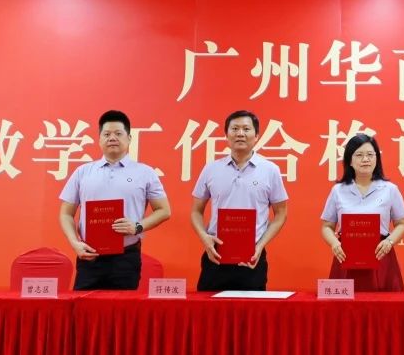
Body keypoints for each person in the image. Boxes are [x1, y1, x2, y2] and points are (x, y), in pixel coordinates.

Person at [58, 110, 171, 290]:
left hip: (126, 258)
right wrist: (74, 243)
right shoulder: (83, 172)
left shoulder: (145, 172)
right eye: (107, 134)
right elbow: (66, 213)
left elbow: (164, 210)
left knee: (122, 306)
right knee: (84, 306)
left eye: (118, 133)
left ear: (129, 138)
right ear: (99, 139)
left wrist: (137, 227)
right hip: (89, 256)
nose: (112, 138)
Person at [190, 109, 289, 291]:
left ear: (257, 136)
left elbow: (281, 213)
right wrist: (205, 238)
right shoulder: (211, 169)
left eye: (246, 129)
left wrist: (260, 245)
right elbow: (196, 211)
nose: (240, 134)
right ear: (226, 135)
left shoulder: (270, 170)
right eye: (235, 129)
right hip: (216, 254)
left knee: (251, 308)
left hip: (252, 257)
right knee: (209, 307)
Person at [319, 134, 404, 291]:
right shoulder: (338, 190)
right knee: (343, 305)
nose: (365, 159)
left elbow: (402, 223)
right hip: (345, 255)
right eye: (359, 155)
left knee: (384, 303)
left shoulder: (390, 189)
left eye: (370, 154)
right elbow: (327, 226)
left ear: (377, 158)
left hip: (380, 255)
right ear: (350, 160)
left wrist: (389, 242)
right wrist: (334, 243)